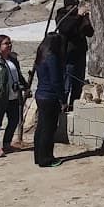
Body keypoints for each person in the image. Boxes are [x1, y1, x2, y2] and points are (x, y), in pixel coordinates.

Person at [31, 31, 68, 168]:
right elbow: (55, 81)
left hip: (40, 95)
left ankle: (39, 156)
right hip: (50, 96)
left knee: (41, 127)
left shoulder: (41, 56)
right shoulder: (52, 58)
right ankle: (46, 158)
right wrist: (63, 99)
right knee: (48, 129)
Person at [54, 0, 95, 109]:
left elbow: (90, 32)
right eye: (72, 6)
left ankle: (73, 106)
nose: (75, 8)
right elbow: (66, 28)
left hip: (80, 54)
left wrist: (85, 19)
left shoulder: (80, 17)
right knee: (66, 84)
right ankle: (62, 106)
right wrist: (78, 17)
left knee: (78, 84)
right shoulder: (62, 15)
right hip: (68, 55)